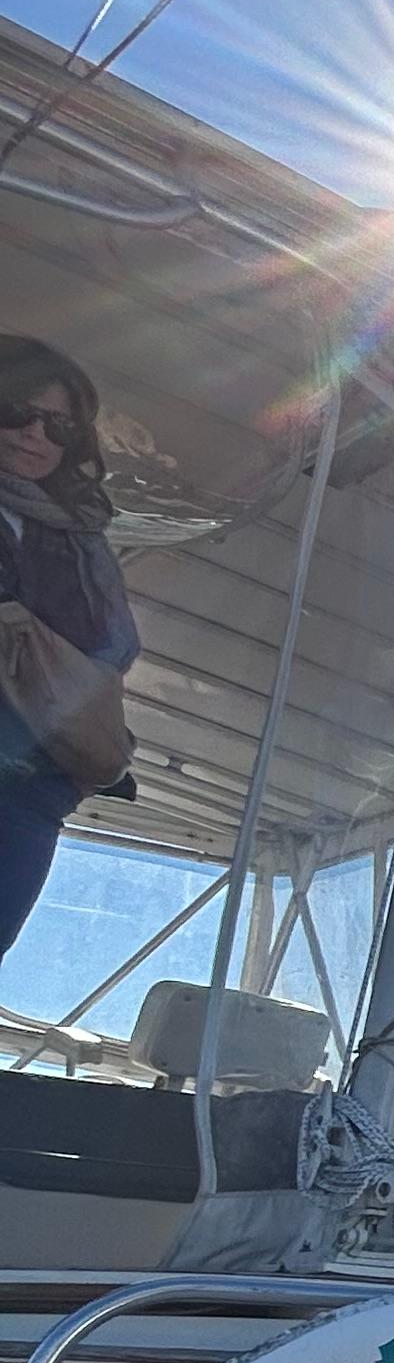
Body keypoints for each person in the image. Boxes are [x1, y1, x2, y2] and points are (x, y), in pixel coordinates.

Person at [0, 335, 138, 960]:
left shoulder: (81, 533)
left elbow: (116, 645)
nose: (35, 435)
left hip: (34, 790)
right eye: (16, 412)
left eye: (58, 425)